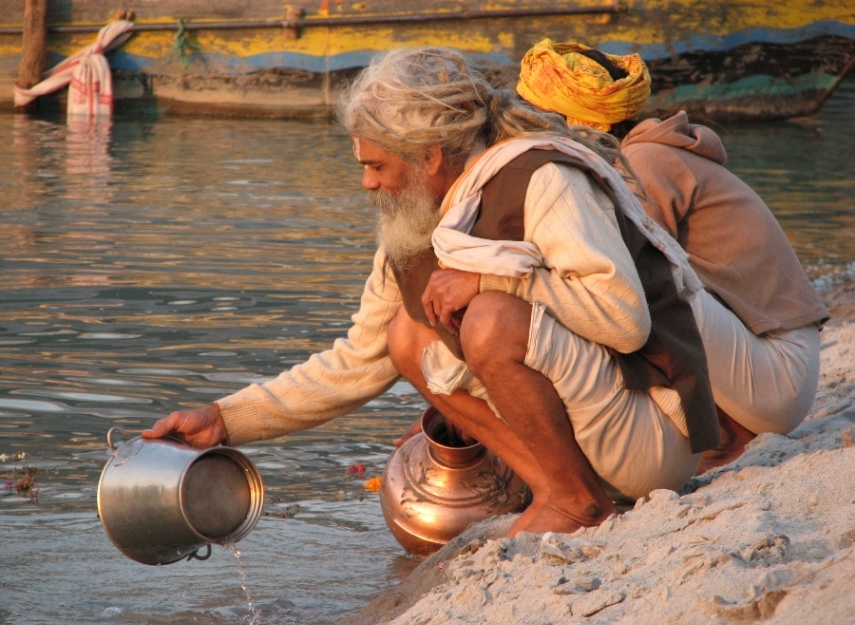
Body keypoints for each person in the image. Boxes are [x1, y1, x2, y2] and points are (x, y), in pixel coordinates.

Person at [143, 46, 722, 537]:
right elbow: (356, 364)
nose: (367, 183)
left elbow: (625, 320)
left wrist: (492, 279)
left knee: (491, 319)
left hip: (652, 436)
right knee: (405, 336)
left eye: (377, 166)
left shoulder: (542, 178)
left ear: (432, 157)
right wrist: (225, 419)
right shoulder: (416, 224)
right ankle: (558, 489)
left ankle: (575, 501)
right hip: (596, 435)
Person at [517, 39, 829, 472]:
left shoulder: (643, 162)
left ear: (573, 120)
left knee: (629, 287)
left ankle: (721, 435)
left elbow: (626, 284)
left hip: (778, 374)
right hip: (767, 365)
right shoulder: (641, 154)